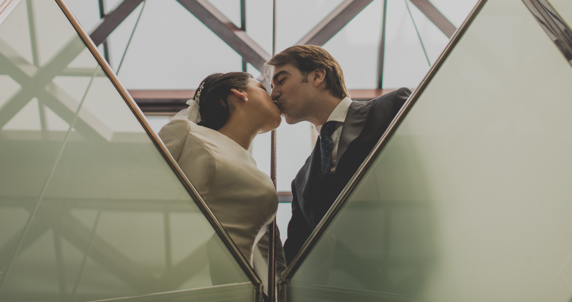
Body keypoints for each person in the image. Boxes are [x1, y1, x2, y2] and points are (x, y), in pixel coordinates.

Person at [265, 45, 411, 264]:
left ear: (317, 75)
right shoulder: (301, 182)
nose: (274, 94)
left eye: (282, 80)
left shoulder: (392, 109)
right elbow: (297, 257)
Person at [158, 72, 285, 292]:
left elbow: (273, 265)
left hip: (241, 292)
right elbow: (147, 195)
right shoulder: (186, 132)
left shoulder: (262, 178)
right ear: (239, 93)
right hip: (188, 284)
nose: (273, 96)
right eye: (263, 89)